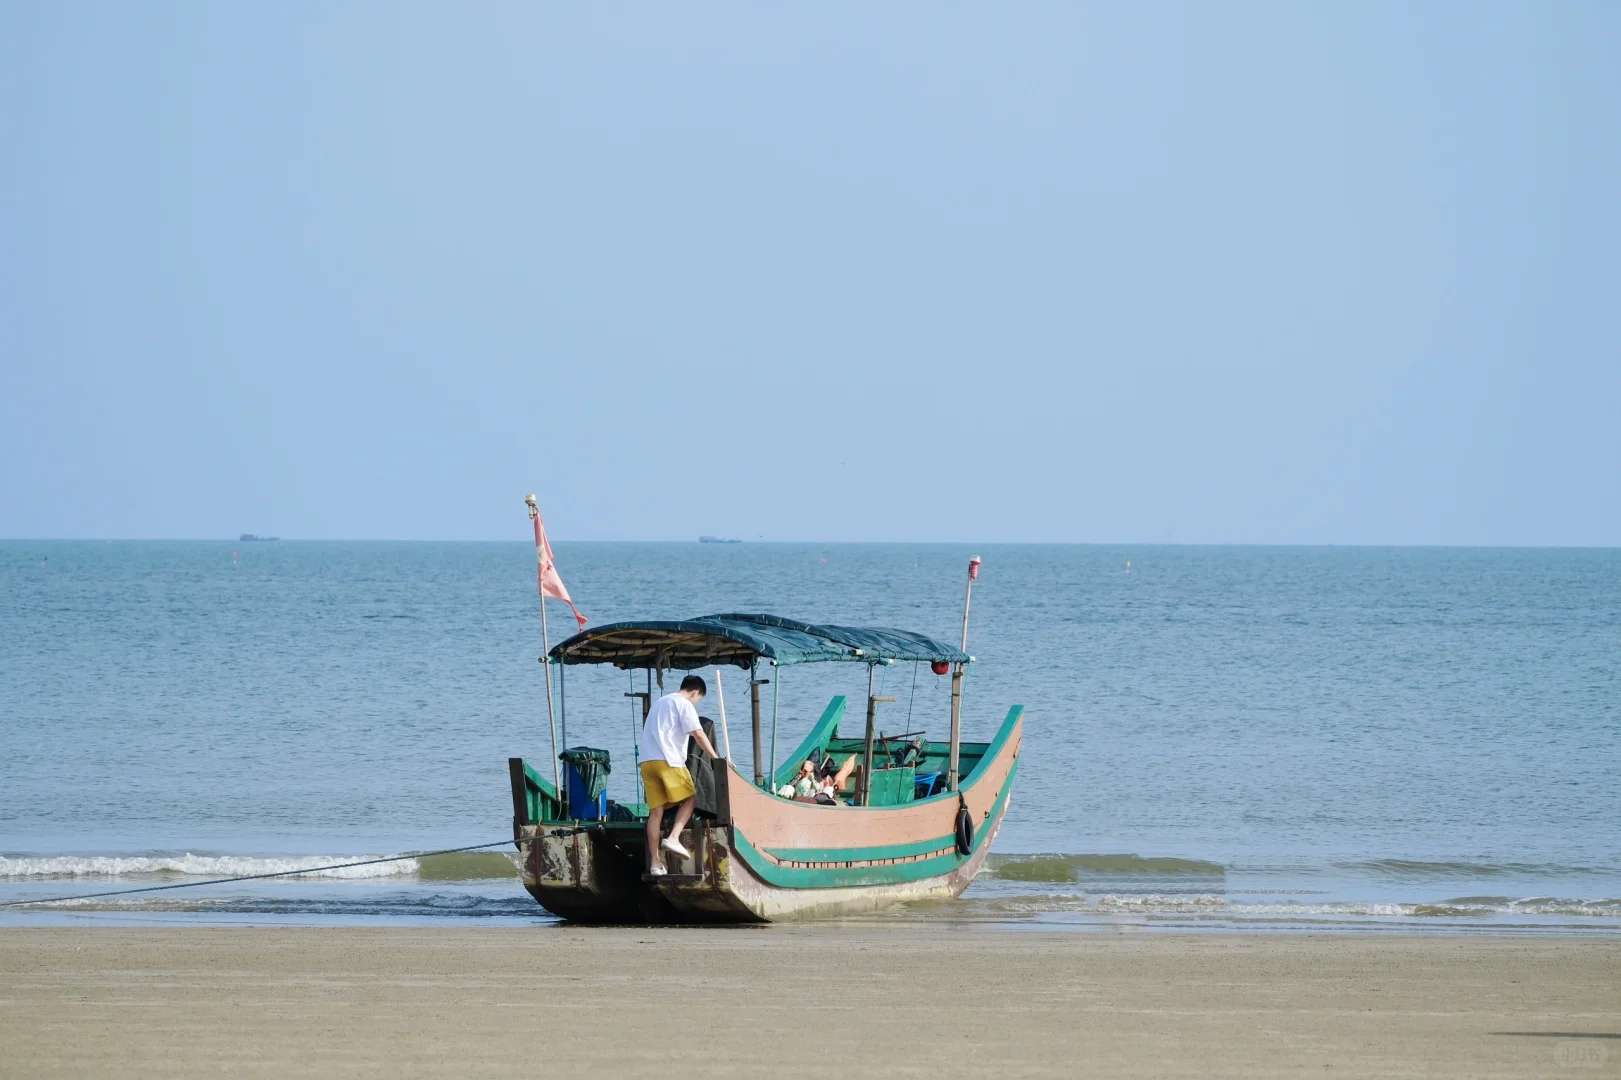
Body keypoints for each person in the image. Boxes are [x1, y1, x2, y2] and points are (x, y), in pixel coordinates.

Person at [639, 674, 721, 875]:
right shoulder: (684, 704)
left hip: (647, 761)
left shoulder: (659, 702)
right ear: (695, 692)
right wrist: (716, 758)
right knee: (691, 798)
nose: (696, 702)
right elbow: (699, 734)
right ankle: (674, 838)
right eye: (698, 699)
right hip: (668, 760)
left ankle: (656, 864)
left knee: (656, 812)